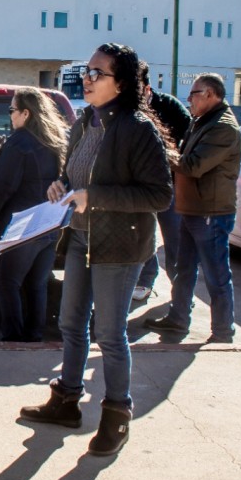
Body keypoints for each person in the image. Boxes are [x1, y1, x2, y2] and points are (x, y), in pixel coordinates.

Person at [19, 43, 173, 456]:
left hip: (120, 245)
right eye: (86, 71)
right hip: (83, 237)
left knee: (109, 333)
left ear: (120, 83)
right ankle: (66, 402)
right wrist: (63, 187)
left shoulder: (138, 129)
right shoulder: (84, 121)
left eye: (97, 73)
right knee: (71, 324)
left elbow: (159, 195)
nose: (86, 79)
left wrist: (95, 197)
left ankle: (116, 416)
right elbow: (76, 176)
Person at [144, 73, 241, 343]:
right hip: (190, 209)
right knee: (183, 268)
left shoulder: (223, 127)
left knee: (216, 274)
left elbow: (193, 165)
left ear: (211, 94)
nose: (189, 99)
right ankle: (178, 319)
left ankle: (223, 331)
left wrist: (160, 150)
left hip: (210, 213)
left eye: (195, 94)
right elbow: (185, 154)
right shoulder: (202, 121)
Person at [0, 87, 68, 342]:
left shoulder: (19, 142)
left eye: (12, 110)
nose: (10, 116)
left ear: (26, 113)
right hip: (49, 223)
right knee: (36, 285)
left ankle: (14, 339)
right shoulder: (53, 141)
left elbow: (2, 188)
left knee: (4, 281)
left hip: (21, 226)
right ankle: (33, 336)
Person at [131, 62, 192, 304]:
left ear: (145, 86)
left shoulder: (169, 106)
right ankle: (146, 280)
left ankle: (182, 294)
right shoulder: (126, 109)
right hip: (138, 189)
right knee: (143, 237)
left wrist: (173, 163)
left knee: (175, 241)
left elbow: (190, 139)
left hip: (171, 187)